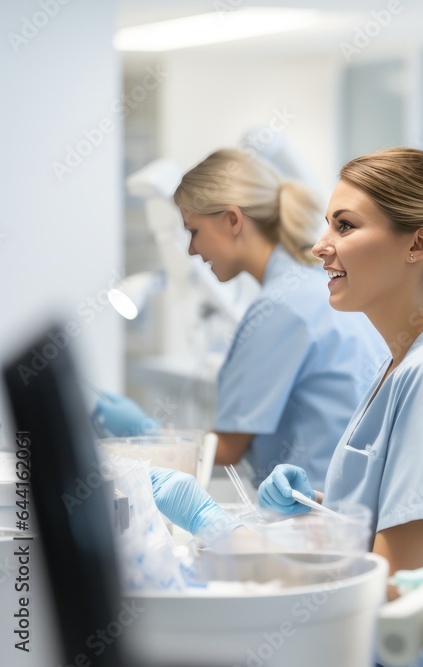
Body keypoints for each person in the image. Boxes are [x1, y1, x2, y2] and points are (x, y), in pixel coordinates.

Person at [257, 148, 423, 594]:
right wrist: (317, 506)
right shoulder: (403, 363)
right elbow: (387, 518)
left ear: (417, 244)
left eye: (345, 225)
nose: (320, 245)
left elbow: (394, 582)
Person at [94, 149, 386, 486]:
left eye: (193, 231)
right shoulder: (314, 286)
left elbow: (226, 448)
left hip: (313, 516)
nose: (191, 250)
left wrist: (142, 433)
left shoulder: (281, 306)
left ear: (232, 220)